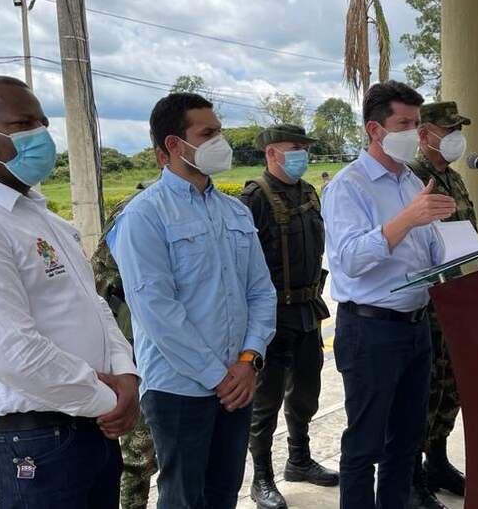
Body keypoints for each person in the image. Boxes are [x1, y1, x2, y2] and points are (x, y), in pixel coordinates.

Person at [0, 75, 140, 508]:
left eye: (43, 122)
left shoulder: (42, 219)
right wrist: (110, 399)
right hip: (30, 444)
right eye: (22, 124)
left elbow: (93, 305)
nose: (41, 136)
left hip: (89, 428)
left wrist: (126, 374)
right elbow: (12, 351)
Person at [107, 92, 277, 509]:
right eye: (209, 133)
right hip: (179, 389)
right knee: (183, 496)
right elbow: (157, 310)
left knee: (223, 493)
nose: (221, 141)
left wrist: (247, 361)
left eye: (218, 131)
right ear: (173, 145)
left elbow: (261, 291)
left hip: (237, 381)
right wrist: (217, 376)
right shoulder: (144, 216)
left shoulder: (234, 212)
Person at [323, 80, 456, 509]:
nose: (414, 133)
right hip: (370, 329)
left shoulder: (412, 180)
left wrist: (452, 239)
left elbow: (427, 249)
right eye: (404, 123)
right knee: (365, 445)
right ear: (374, 130)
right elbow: (351, 259)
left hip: (415, 325)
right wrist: (407, 218)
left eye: (417, 124)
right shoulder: (349, 186)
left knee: (406, 442)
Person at [240, 124, 339, 509]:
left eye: (303, 147)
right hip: (270, 316)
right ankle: (261, 476)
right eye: (293, 148)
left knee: (306, 393)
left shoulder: (309, 193)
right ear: (271, 154)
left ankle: (298, 459)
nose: (301, 154)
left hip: (307, 310)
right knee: (264, 401)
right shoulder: (254, 198)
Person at [92, 146, 168, 509]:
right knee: (138, 455)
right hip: (138, 346)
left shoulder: (210, 209)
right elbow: (103, 282)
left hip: (185, 353)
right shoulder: (135, 211)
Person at [406, 101, 473, 507]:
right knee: (425, 390)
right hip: (427, 303)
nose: (454, 138)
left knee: (451, 387)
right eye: (447, 131)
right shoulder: (413, 179)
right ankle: (411, 475)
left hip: (458, 298)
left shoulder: (455, 179)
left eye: (456, 131)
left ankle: (438, 462)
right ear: (424, 134)